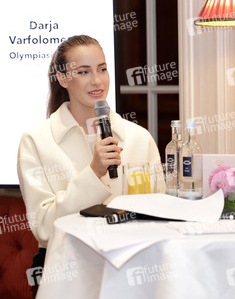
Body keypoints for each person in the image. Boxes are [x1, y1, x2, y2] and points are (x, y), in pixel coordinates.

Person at [17, 35, 165, 298]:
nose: (97, 81)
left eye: (102, 69)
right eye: (83, 72)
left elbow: (160, 212)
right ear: (62, 79)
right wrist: (94, 172)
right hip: (64, 267)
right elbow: (43, 228)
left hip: (132, 263)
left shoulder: (138, 137)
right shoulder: (36, 141)